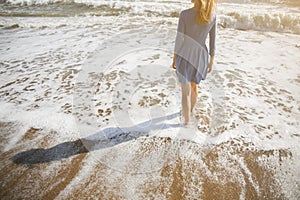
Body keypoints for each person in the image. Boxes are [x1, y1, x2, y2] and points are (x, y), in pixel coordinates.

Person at [172, 0, 216, 125]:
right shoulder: (212, 15)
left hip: (185, 54)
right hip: (201, 56)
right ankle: (190, 112)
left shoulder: (184, 14)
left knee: (185, 92)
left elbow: (179, 39)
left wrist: (174, 57)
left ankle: (186, 122)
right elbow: (213, 41)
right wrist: (211, 61)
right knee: (194, 87)